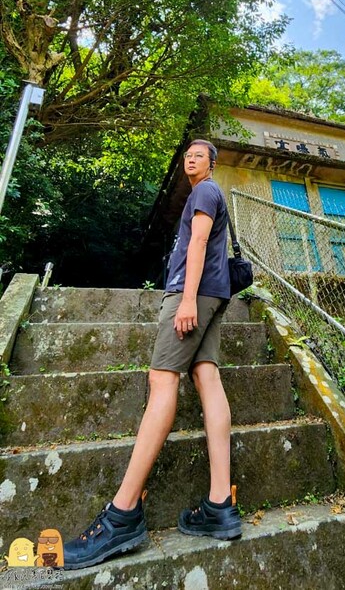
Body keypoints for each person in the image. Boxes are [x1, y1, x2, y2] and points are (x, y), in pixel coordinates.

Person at [63, 139, 241, 570]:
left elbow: (196, 245)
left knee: (162, 379)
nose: (190, 160)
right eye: (186, 156)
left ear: (212, 164)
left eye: (198, 155)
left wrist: (185, 300)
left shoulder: (204, 191)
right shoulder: (213, 195)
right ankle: (220, 503)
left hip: (193, 294)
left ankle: (122, 513)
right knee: (207, 376)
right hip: (217, 294)